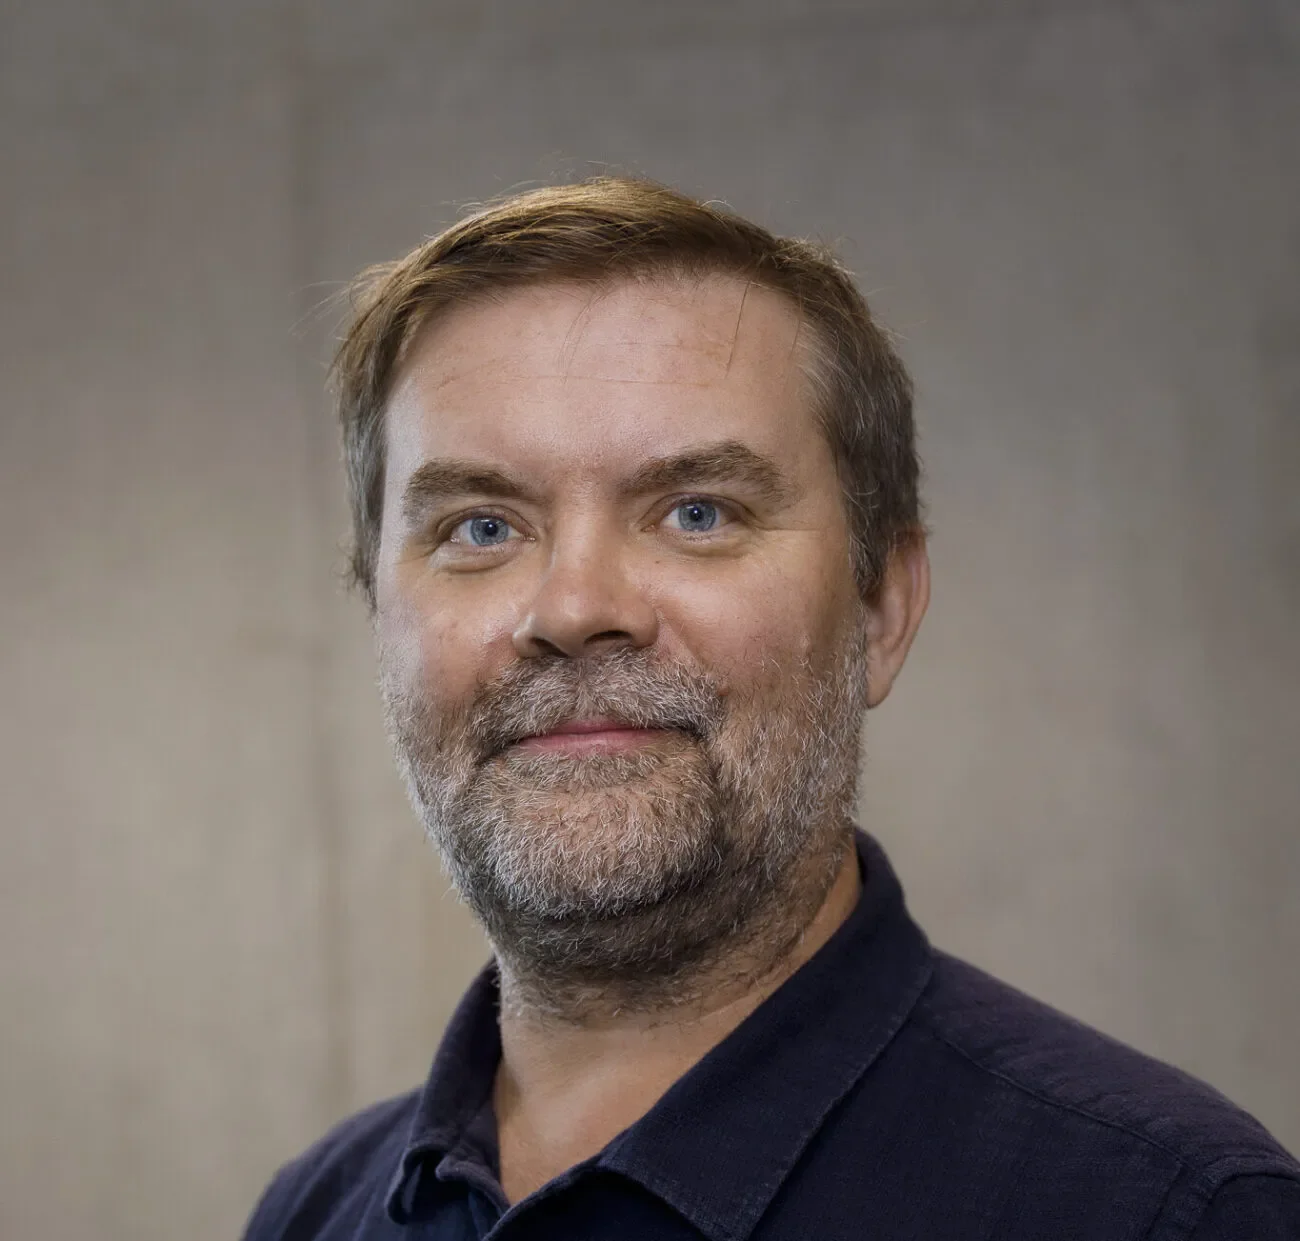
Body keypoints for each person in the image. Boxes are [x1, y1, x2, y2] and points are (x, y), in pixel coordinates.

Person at [243, 177, 1300, 1240]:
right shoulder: (313, 1214)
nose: (572, 608)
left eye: (696, 512)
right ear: (377, 609)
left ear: (882, 607)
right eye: (479, 527)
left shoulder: (1169, 1214)